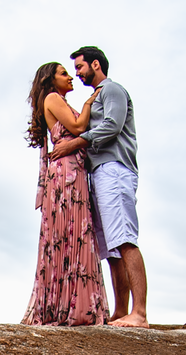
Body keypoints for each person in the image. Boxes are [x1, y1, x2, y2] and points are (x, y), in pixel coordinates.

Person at [50, 47, 149, 328]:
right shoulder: (95, 98)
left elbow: (112, 126)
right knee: (111, 249)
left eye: (80, 67)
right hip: (99, 173)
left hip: (115, 168)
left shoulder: (112, 90)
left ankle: (139, 313)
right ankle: (121, 311)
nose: (77, 74)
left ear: (96, 64)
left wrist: (74, 144)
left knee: (124, 239)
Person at [20, 62, 110, 326]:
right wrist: (89, 102)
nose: (70, 77)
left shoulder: (57, 100)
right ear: (50, 79)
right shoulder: (52, 98)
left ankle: (73, 304)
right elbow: (79, 127)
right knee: (71, 234)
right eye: (63, 73)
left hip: (73, 169)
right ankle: (69, 306)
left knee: (75, 234)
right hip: (66, 173)